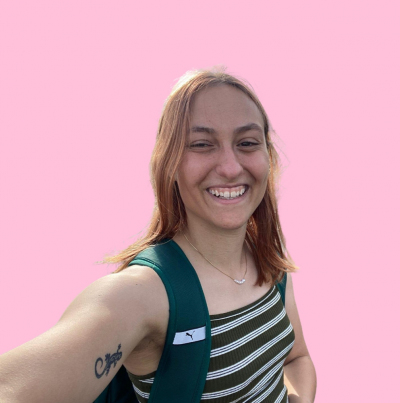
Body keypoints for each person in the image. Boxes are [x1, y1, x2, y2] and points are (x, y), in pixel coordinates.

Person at [0, 68, 316, 403]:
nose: (230, 167)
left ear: (268, 157)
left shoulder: (269, 260)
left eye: (247, 143)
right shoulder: (143, 294)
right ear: (170, 164)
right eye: (201, 144)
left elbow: (296, 359)